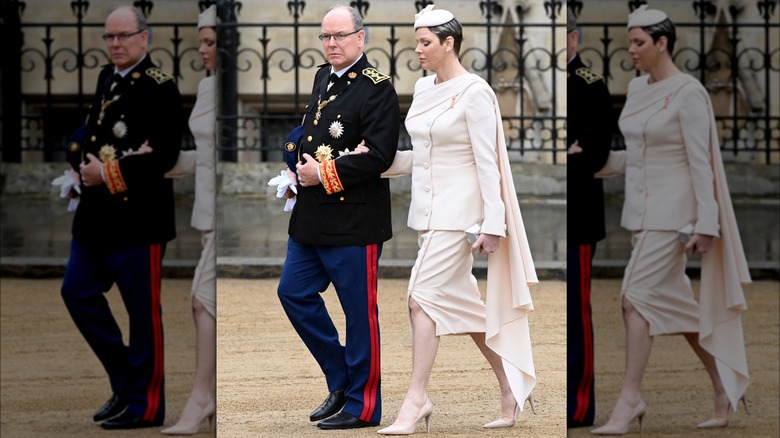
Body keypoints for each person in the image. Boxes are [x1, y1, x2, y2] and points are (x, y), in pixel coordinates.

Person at [375, 5, 537, 435]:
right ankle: (512, 389)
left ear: (449, 43)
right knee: (467, 312)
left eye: (426, 42)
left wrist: (493, 224)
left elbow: (489, 164)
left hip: (461, 216)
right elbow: (424, 154)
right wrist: (373, 162)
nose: (418, 50)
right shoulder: (423, 87)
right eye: (417, 42)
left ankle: (416, 400)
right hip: (429, 215)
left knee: (419, 298)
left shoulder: (476, 91)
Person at [591, 5, 751, 435]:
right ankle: (724, 392)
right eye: (631, 42)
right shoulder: (639, 89)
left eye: (640, 42)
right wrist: (590, 162)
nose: (632, 50)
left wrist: (706, 224)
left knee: (632, 299)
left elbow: (702, 164)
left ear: (663, 43)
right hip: (642, 215)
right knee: (681, 314)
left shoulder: (690, 92)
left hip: (676, 216)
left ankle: (629, 400)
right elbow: (639, 154)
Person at [275, 4, 400, 430]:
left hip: (354, 222)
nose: (332, 44)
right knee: (293, 293)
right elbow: (309, 131)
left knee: (358, 314)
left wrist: (322, 172)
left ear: (360, 38)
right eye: (326, 37)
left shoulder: (377, 87)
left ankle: (363, 405)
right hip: (311, 218)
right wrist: (295, 163)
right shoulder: (322, 76)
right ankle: (341, 380)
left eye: (340, 36)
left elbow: (380, 155)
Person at [60, 5, 183, 430]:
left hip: (138, 222)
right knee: (76, 292)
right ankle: (125, 379)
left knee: (142, 315)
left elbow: (164, 155)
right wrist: (78, 160)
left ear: (144, 38)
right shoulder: (106, 77)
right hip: (95, 218)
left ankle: (145, 405)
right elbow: (89, 131)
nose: (115, 44)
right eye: (109, 37)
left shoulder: (159, 86)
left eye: (123, 36)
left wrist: (107, 172)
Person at [159, 4, 217, 435]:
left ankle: (201, 399)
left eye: (211, 43)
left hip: (222, 215)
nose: (203, 50)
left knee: (202, 302)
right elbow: (202, 155)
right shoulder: (207, 85)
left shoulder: (227, 89)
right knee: (201, 303)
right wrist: (146, 163)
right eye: (201, 42)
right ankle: (205, 397)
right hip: (207, 216)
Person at [565, 7, 613, 429]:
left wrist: (569, 157)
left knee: (576, 311)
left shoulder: (590, 85)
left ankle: (578, 405)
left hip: (578, 214)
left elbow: (595, 153)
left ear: (573, 39)